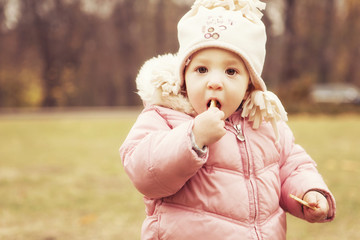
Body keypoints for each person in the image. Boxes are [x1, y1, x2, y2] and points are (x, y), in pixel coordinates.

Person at [119, 0, 336, 239]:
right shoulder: (165, 116)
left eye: (231, 71)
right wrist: (193, 138)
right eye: (201, 70)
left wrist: (309, 192)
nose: (215, 81)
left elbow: (292, 166)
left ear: (249, 84)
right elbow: (143, 172)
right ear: (184, 76)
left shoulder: (262, 121)